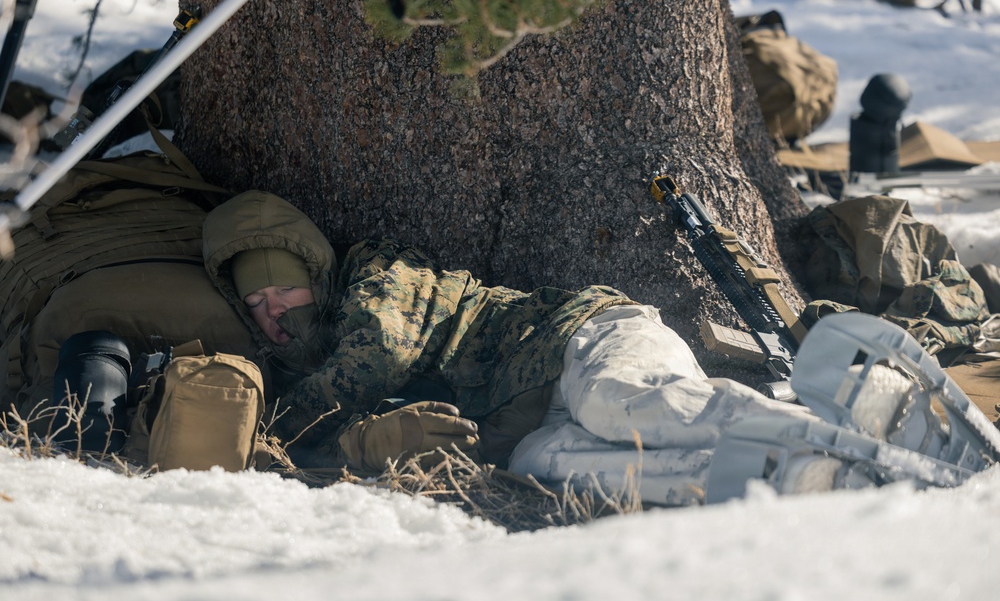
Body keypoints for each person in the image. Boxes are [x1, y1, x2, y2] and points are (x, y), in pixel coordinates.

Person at [202, 190, 992, 505]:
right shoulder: (293, 361)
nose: (275, 314)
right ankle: (803, 476)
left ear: (314, 273)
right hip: (525, 426)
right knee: (576, 467)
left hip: (582, 341)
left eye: (285, 291)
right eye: (259, 303)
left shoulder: (376, 280)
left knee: (628, 404)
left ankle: (876, 421)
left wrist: (289, 432)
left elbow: (372, 361)